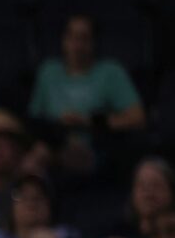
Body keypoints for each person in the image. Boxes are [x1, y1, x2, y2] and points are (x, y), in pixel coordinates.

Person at [29, 14, 145, 180]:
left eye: (84, 38)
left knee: (41, 157)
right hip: (52, 141)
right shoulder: (48, 71)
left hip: (95, 149)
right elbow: (34, 118)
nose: (77, 45)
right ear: (64, 40)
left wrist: (88, 122)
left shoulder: (110, 72)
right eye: (72, 37)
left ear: (94, 43)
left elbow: (137, 118)